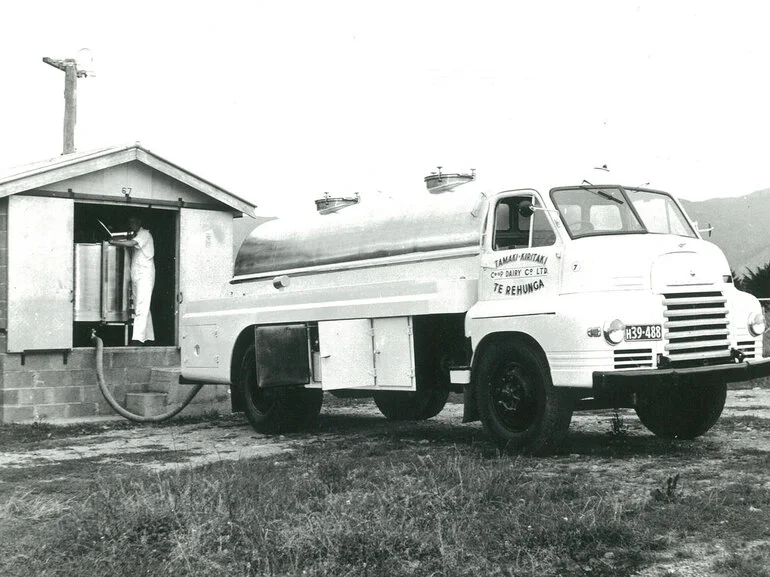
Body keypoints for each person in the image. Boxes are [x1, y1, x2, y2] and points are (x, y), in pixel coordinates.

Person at [110, 214, 155, 345]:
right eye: (130, 221)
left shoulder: (145, 234)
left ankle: (137, 339)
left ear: (139, 221)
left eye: (134, 221)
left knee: (142, 306)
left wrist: (114, 242)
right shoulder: (136, 234)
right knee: (141, 306)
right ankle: (148, 337)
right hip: (138, 276)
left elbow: (132, 243)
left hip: (145, 275)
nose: (132, 223)